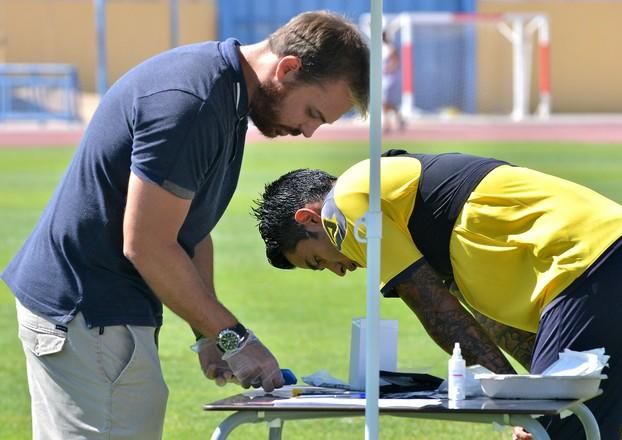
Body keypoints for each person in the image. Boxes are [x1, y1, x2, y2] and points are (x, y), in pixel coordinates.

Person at [1, 10, 368, 440]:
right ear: (288, 68)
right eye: (312, 113)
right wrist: (236, 339)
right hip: (89, 308)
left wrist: (207, 332)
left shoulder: (224, 90)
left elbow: (190, 230)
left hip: (93, 307)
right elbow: (148, 244)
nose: (308, 132)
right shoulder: (195, 101)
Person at [252, 149, 622, 440]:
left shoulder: (346, 203)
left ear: (309, 217)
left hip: (593, 270)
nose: (338, 271)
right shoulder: (418, 214)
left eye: (317, 260)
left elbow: (434, 308)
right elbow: (490, 325)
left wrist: (520, 404)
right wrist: (532, 392)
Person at [382, 31, 405, 133]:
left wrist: (385, 69)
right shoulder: (381, 48)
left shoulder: (390, 48)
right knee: (386, 102)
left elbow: (395, 63)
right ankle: (399, 120)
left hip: (391, 78)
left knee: (385, 102)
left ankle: (386, 125)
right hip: (384, 78)